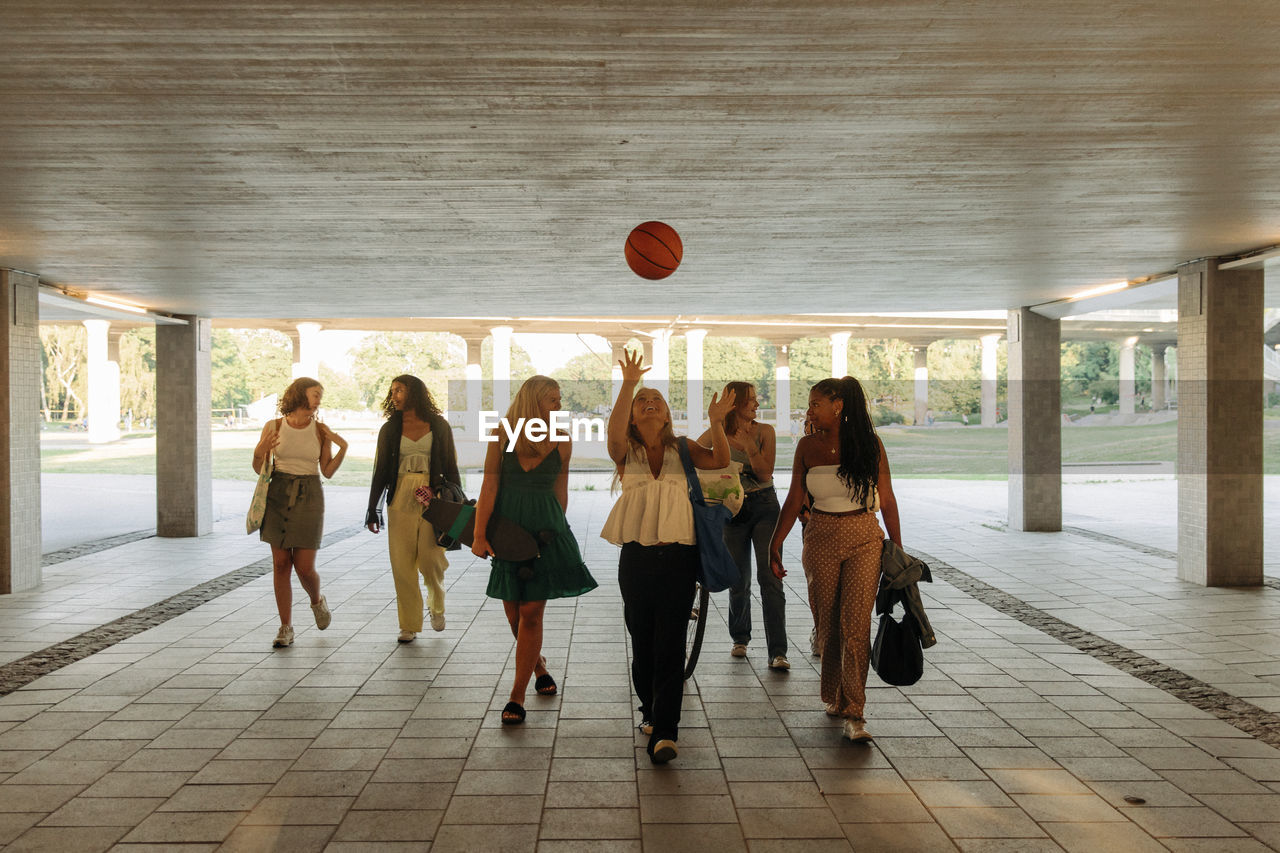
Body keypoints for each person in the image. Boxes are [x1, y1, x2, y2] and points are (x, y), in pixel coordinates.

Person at [601, 350, 734, 764]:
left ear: (668, 412)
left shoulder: (683, 447)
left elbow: (722, 460)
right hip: (637, 558)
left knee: (671, 642)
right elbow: (614, 435)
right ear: (634, 414)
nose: (650, 402)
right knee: (642, 641)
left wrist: (716, 423)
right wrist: (628, 383)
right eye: (643, 400)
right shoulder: (626, 451)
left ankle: (666, 730)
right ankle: (649, 708)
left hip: (680, 556)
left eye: (656, 398)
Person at [768, 376, 902, 743]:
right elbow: (794, 498)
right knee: (828, 625)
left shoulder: (870, 444)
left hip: (864, 537)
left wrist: (898, 548)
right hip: (821, 537)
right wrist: (774, 544)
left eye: (815, 403)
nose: (809, 410)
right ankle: (834, 696)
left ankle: (855, 711)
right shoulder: (807, 447)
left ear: (838, 405)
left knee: (855, 625)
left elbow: (886, 498)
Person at [472, 376, 598, 725]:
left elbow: (561, 492)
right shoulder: (501, 434)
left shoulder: (562, 438)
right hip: (508, 530)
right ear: (533, 401)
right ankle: (539, 665)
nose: (559, 406)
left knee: (530, 613)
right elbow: (489, 485)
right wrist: (479, 535)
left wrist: (556, 534)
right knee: (514, 613)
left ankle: (516, 694)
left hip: (546, 531)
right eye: (553, 400)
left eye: (559, 400)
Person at [697, 381, 787, 670]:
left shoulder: (765, 432)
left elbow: (764, 472)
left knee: (770, 578)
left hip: (764, 507)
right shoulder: (717, 432)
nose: (757, 405)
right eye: (751, 401)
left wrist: (749, 445)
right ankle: (740, 637)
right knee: (738, 579)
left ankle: (778, 651)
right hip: (731, 509)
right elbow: (694, 453)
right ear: (734, 403)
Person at [252, 377, 348, 648]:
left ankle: (316, 600)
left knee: (304, 567)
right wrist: (259, 451)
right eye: (315, 394)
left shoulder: (320, 430)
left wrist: (343, 448)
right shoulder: (273, 426)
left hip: (309, 494)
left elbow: (327, 471)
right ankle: (286, 627)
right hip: (277, 494)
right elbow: (259, 468)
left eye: (320, 395)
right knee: (281, 564)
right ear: (299, 395)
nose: (319, 399)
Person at [366, 375, 461, 642]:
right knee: (402, 563)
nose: (394, 395)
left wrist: (453, 501)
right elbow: (381, 471)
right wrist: (372, 509)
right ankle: (408, 623)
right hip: (400, 499)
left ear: (415, 393)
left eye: (400, 390)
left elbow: (451, 468)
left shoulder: (439, 426)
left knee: (431, 560)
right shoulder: (390, 429)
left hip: (433, 499)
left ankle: (437, 603)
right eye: (392, 390)